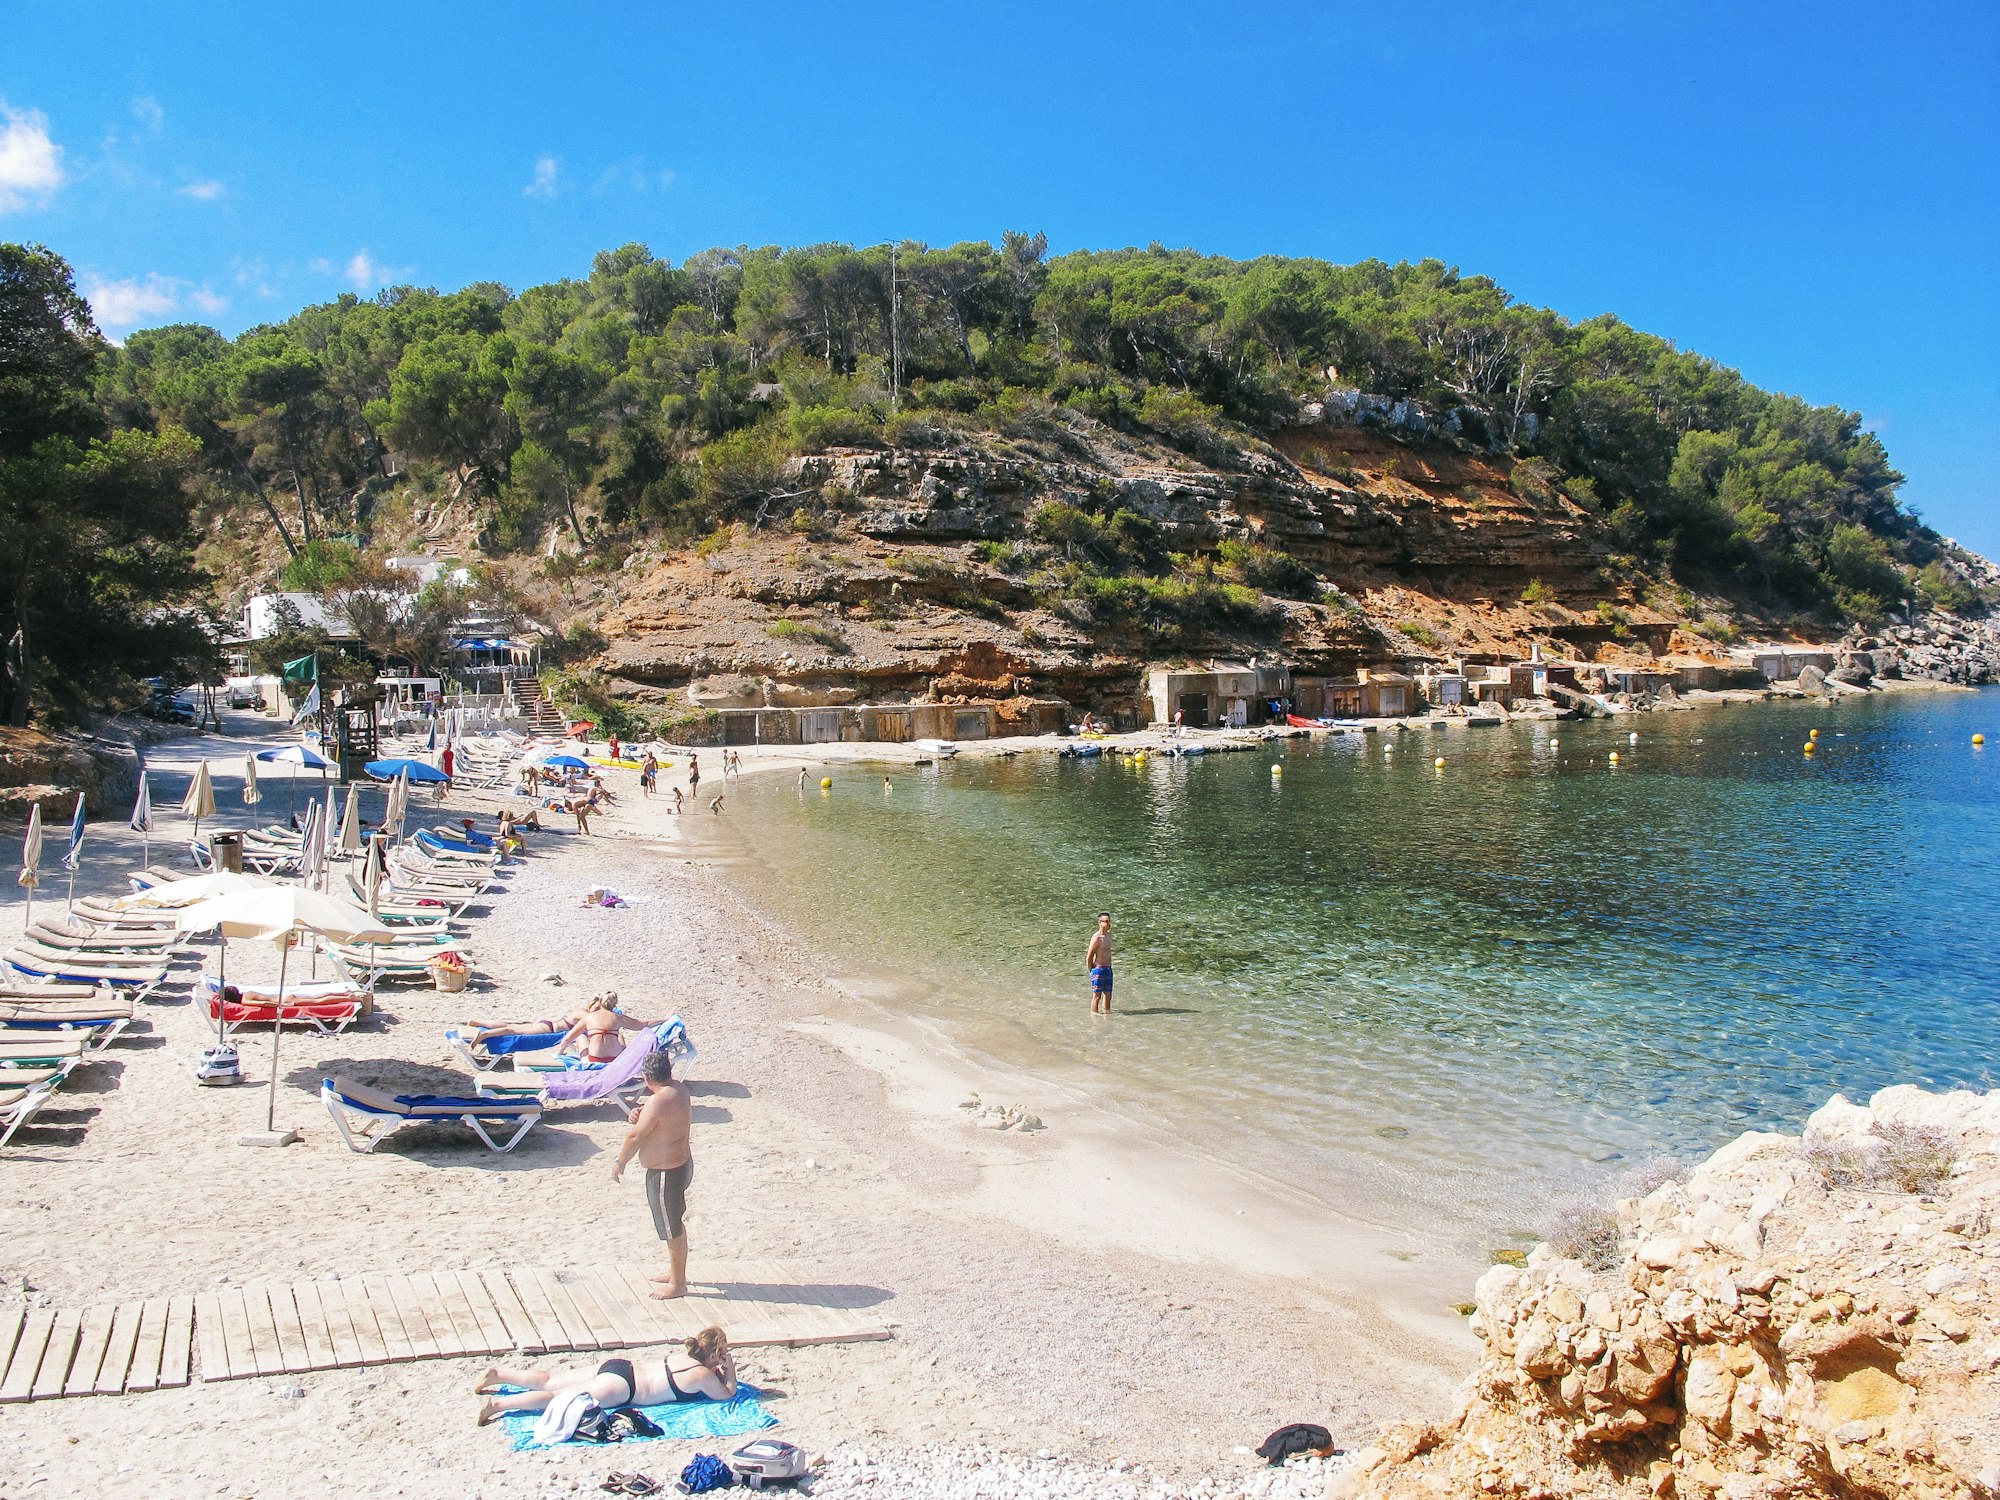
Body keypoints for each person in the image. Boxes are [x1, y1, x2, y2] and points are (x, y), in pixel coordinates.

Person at [476, 1327, 737, 1425]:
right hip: (625, 1388)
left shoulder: (686, 1356)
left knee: (550, 1380)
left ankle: (500, 1374)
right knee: (557, 1397)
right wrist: (731, 1372)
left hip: (620, 1367)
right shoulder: (702, 1374)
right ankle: (498, 1405)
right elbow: (727, 1395)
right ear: (713, 1356)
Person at [614, 1049, 695, 1298]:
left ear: (647, 1079)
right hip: (680, 1165)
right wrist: (637, 1113)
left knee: (672, 1227)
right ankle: (675, 1272)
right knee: (674, 1223)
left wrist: (620, 1162)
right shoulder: (678, 1090)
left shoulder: (658, 1101)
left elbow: (636, 1136)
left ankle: (678, 1284)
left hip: (665, 1173)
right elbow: (653, 1120)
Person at [557, 994, 646, 1062]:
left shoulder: (589, 1017)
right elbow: (642, 1023)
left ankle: (578, 1052)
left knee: (580, 1037)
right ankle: (622, 1058)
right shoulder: (617, 1017)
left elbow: (567, 1039)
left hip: (595, 1059)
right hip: (615, 1058)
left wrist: (559, 1054)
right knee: (619, 1035)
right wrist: (659, 1020)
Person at [1086, 912, 1114, 1014]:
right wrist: (1091, 970)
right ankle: (1094, 1016)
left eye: (1109, 921)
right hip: (1098, 968)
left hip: (1108, 969)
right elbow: (1089, 956)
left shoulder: (1109, 936)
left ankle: (1106, 1015)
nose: (1108, 923)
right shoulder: (1096, 937)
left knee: (1108, 994)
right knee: (1097, 995)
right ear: (1100, 922)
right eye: (1106, 921)